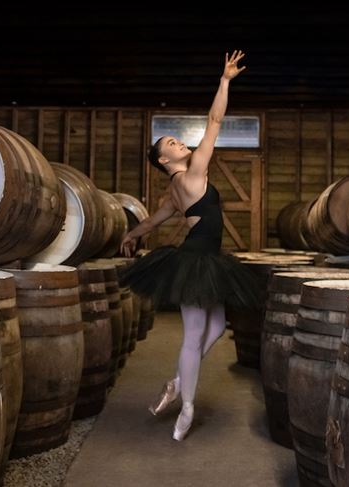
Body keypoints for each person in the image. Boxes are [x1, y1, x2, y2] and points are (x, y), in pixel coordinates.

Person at [117, 50, 262, 441]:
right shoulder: (192, 175)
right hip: (196, 260)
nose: (181, 143)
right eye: (173, 143)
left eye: (179, 139)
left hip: (207, 258)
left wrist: (131, 235)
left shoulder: (172, 192)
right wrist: (225, 81)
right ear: (165, 160)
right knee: (195, 332)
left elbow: (151, 220)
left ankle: (178, 383)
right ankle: (187, 408)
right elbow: (215, 121)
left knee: (215, 325)